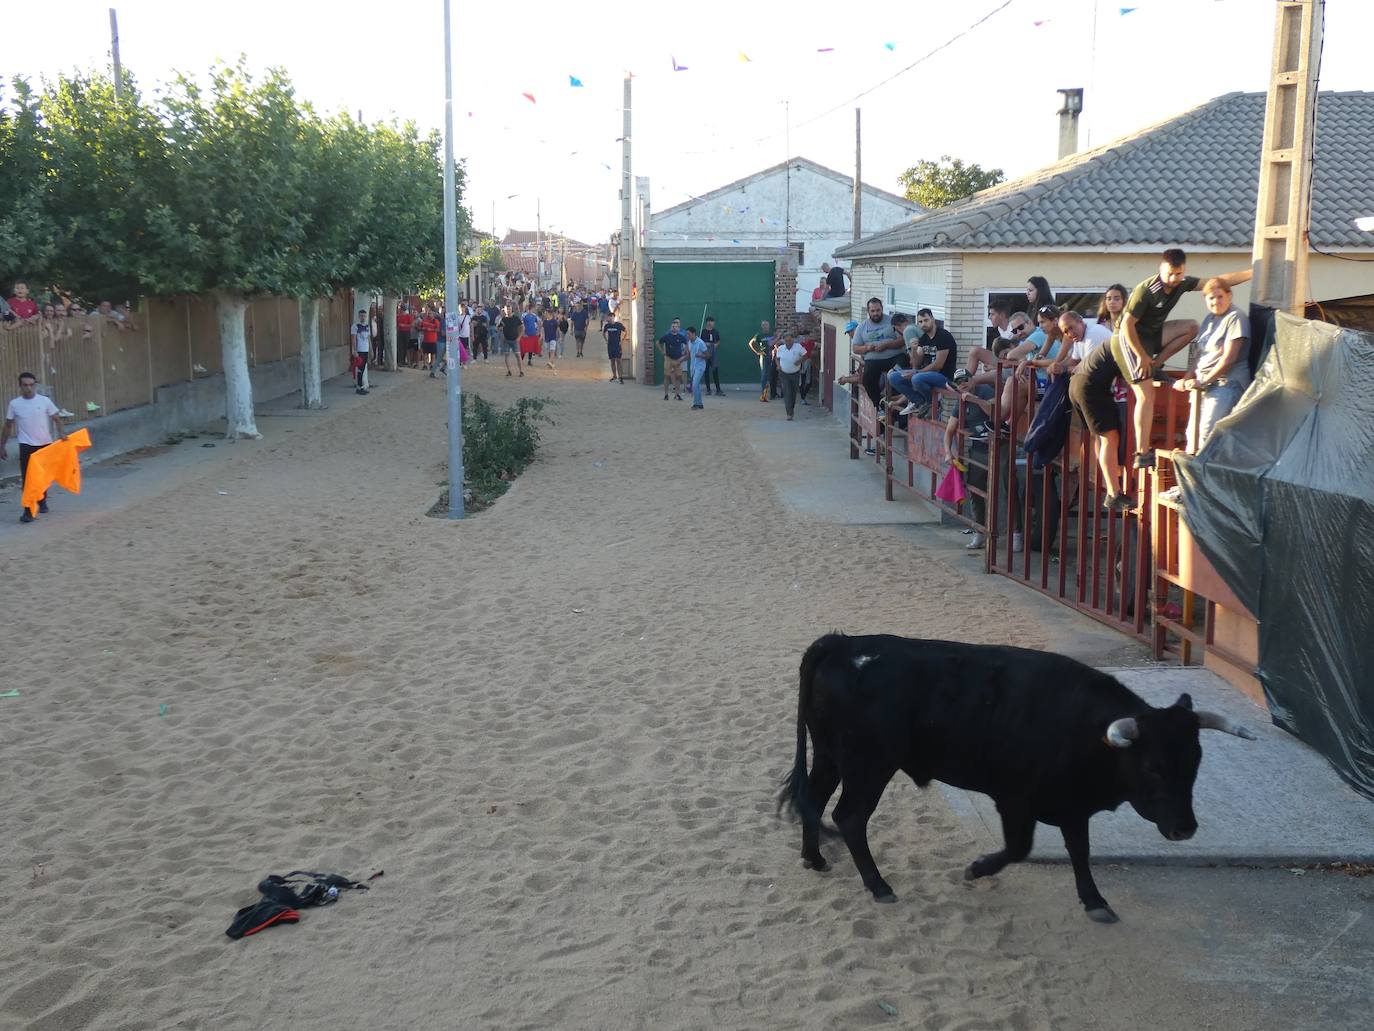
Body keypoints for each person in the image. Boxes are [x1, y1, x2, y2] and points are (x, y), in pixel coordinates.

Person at [1069, 249, 1251, 511]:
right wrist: (1142, 357)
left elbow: (1216, 281)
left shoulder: (1182, 284)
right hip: (1111, 361)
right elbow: (1128, 327)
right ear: (1160, 269)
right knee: (1134, 408)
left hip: (1124, 358)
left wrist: (1251, 271)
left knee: (1190, 326)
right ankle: (1140, 456)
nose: (1173, 279)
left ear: (1183, 271)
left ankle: (1113, 491)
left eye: (1178, 274)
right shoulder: (1147, 290)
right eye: (1169, 274)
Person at [1172, 278, 1251, 454]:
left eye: (1220, 296)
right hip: (1203, 385)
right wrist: (1186, 378)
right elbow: (1200, 354)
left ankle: (1205, 478)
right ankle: (1193, 477)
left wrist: (1203, 381)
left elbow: (1229, 359)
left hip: (1227, 384)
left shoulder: (1236, 318)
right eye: (1211, 298)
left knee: (1208, 434)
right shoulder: (1209, 319)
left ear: (1229, 296)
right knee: (1192, 434)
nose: (1216, 302)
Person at [2, 371, 68, 523]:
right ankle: (28, 511)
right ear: (20, 386)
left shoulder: (44, 401)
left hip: (45, 444)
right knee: (28, 479)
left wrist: (62, 433)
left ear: (35, 385)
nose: (28, 388)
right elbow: (7, 425)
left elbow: (57, 418)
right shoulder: (15, 404)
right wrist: (2, 446)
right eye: (25, 385)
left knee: (43, 476)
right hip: (26, 446)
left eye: (31, 385)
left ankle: (42, 500)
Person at [889, 308, 957, 419]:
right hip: (925, 374)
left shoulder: (943, 336)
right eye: (920, 322)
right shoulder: (924, 338)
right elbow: (917, 362)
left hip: (943, 376)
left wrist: (916, 372)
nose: (923, 324)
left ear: (933, 319)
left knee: (916, 379)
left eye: (926, 320)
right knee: (894, 377)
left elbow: (938, 365)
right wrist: (914, 350)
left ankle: (933, 404)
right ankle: (918, 402)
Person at [851, 298, 902, 418]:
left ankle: (895, 406)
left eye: (878, 310)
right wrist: (868, 347)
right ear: (868, 311)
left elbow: (902, 340)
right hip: (873, 359)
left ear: (882, 309)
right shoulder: (862, 327)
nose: (875, 313)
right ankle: (878, 405)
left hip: (894, 356)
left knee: (900, 372)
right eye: (872, 311)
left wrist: (886, 345)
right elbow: (855, 348)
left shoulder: (891, 321)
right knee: (867, 379)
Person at [774, 332, 807, 420]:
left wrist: (799, 361)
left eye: (790, 340)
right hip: (784, 374)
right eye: (787, 341)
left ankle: (791, 408)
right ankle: (789, 413)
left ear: (793, 340)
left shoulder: (798, 347)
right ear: (784, 341)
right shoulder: (781, 348)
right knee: (787, 392)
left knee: (793, 393)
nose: (789, 342)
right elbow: (777, 358)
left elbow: (805, 355)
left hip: (795, 373)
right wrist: (778, 365)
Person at [658, 317, 688, 401]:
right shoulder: (667, 336)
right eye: (673, 326)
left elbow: (686, 344)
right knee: (667, 376)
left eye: (676, 326)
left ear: (678, 328)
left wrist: (684, 353)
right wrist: (662, 352)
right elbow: (658, 343)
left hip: (678, 359)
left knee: (678, 376)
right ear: (671, 327)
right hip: (668, 358)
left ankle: (677, 394)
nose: (674, 328)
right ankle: (666, 394)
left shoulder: (681, 337)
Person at [747, 320, 775, 403]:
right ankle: (763, 395)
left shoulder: (772, 335)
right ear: (762, 327)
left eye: (767, 325)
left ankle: (771, 394)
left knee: (771, 375)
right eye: (764, 325)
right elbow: (751, 343)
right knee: (764, 375)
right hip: (764, 356)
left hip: (772, 356)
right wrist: (757, 352)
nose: (765, 326)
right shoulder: (759, 335)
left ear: (769, 326)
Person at [498, 304, 524, 377]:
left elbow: (522, 327)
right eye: (506, 309)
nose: (508, 311)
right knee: (506, 356)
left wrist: (519, 337)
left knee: (518, 355)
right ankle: (509, 371)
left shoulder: (516, 318)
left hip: (515, 339)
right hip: (506, 340)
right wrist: (501, 332)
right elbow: (498, 327)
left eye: (509, 309)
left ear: (511, 310)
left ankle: (521, 371)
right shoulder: (503, 319)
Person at [700, 316, 723, 396]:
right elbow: (700, 341)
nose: (711, 323)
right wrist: (705, 344)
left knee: (715, 370)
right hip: (705, 352)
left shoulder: (715, 331)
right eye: (709, 321)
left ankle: (718, 390)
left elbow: (718, 340)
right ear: (707, 322)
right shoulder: (703, 332)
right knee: (706, 371)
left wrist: (716, 345)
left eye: (712, 321)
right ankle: (708, 389)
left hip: (713, 352)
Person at [687, 326, 709, 409]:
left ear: (693, 334)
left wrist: (701, 355)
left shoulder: (701, 343)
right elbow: (689, 355)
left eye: (688, 334)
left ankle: (695, 403)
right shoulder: (689, 343)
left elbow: (708, 355)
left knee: (695, 384)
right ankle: (700, 404)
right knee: (697, 385)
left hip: (700, 366)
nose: (687, 336)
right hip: (693, 366)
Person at [351, 308, 371, 394]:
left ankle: (361, 386)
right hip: (359, 350)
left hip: (366, 350)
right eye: (361, 316)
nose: (363, 317)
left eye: (364, 316)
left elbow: (368, 339)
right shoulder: (355, 326)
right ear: (359, 316)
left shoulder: (367, 326)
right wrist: (355, 350)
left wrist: (371, 350)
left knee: (363, 369)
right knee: (359, 369)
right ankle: (358, 387)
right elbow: (353, 339)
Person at [603, 314, 626, 382]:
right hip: (610, 345)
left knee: (618, 361)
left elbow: (625, 331)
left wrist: (622, 341)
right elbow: (604, 333)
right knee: (612, 361)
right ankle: (614, 376)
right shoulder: (607, 326)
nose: (610, 318)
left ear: (613, 317)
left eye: (611, 317)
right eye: (609, 317)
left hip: (617, 345)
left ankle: (620, 377)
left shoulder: (619, 325)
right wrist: (606, 341)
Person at [419, 308, 440, 372]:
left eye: (430, 313)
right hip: (426, 339)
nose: (429, 315)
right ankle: (425, 365)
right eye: (428, 313)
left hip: (433, 339)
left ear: (433, 314)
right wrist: (424, 328)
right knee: (425, 353)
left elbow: (438, 329)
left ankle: (432, 365)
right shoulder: (424, 320)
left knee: (433, 353)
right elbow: (420, 327)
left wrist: (431, 330)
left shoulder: (435, 321)